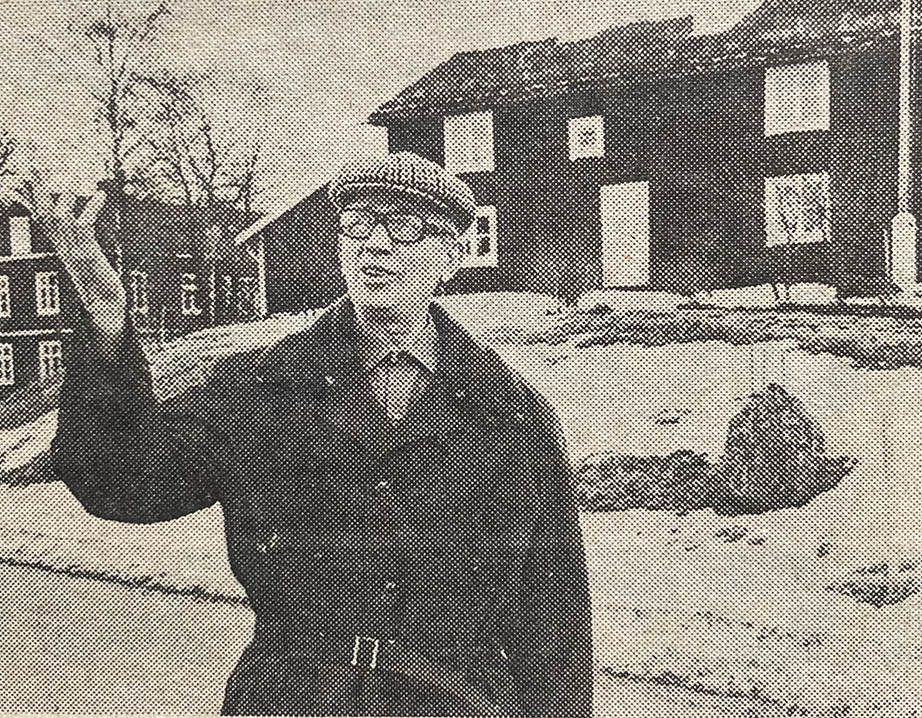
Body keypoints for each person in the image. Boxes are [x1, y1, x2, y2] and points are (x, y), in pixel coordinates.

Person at [50, 152, 593, 717]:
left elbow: (554, 623)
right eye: (357, 225)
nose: (376, 245)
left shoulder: (512, 415)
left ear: (453, 255)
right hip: (296, 694)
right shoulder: (264, 388)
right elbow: (122, 480)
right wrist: (106, 324)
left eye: (407, 227)